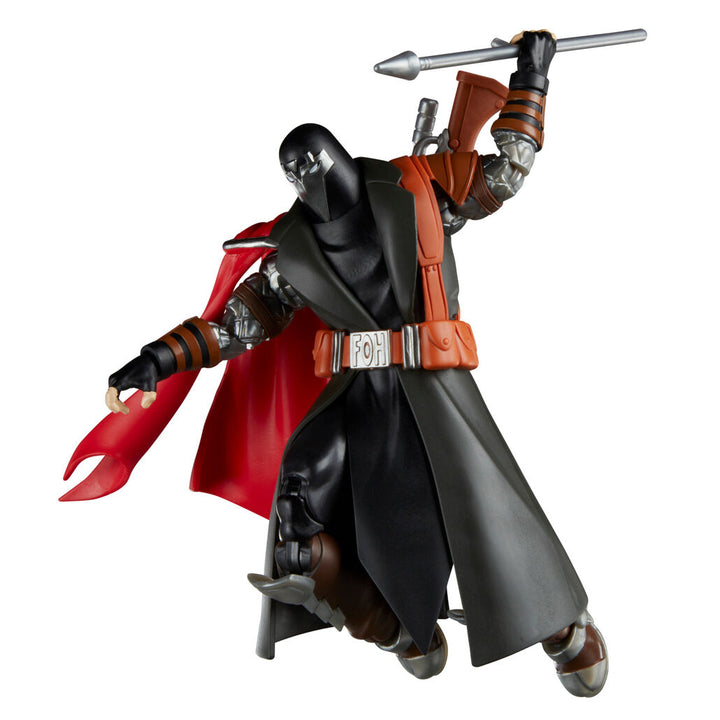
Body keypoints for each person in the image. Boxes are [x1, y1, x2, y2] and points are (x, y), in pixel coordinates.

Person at [65, 31, 607, 695]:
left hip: (434, 387)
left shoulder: (417, 190)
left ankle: (563, 627)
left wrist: (532, 78)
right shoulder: (292, 250)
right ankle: (393, 623)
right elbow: (238, 324)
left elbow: (505, 174)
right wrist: (158, 358)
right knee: (298, 512)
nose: (310, 181)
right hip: (358, 397)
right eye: (297, 174)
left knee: (491, 514)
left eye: (314, 166)